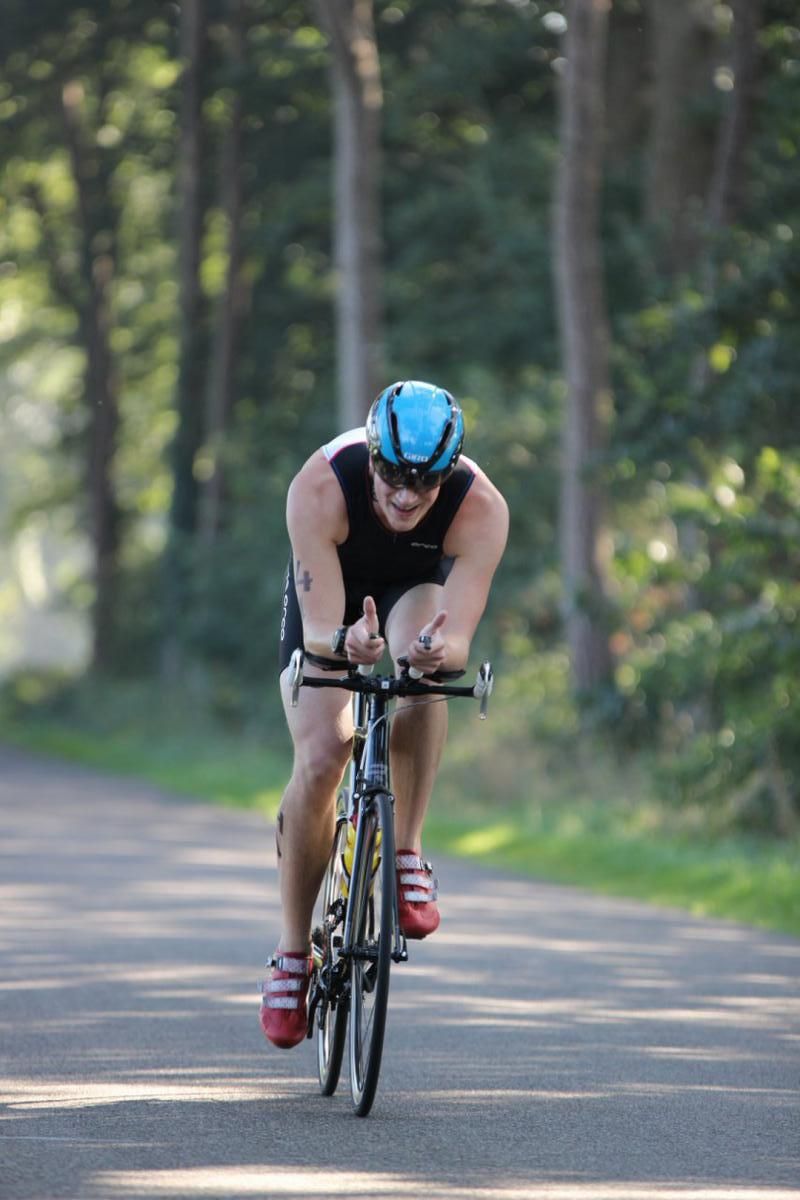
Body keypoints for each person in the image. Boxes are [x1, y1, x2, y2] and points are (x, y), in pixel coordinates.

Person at [261, 379, 509, 1049]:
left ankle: (406, 851)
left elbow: (459, 635)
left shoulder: (480, 507)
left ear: (449, 472)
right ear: (370, 454)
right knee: (322, 755)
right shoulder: (321, 486)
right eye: (391, 474)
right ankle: (292, 954)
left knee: (427, 675)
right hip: (332, 604)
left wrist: (436, 648)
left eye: (424, 482)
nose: (404, 494)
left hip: (410, 594)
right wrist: (344, 643)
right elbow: (318, 628)